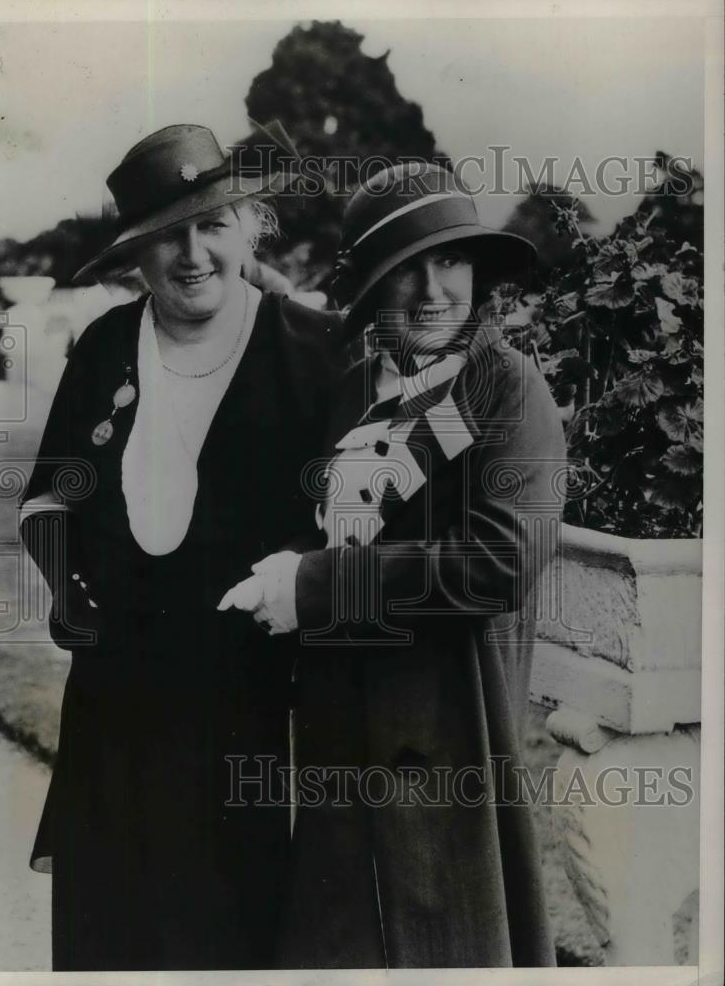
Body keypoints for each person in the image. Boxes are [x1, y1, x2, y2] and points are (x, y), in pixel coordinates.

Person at [221, 162, 567, 968]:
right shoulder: (349, 394)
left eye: (448, 260)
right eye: (403, 267)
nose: (431, 289)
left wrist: (310, 587)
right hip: (342, 743)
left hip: (451, 741)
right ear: (372, 287)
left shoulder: (507, 390)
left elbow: (497, 564)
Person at [19, 120, 343, 971]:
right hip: (114, 715)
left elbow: (362, 530)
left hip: (253, 722)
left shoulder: (314, 355)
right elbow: (53, 494)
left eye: (212, 226)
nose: (192, 254)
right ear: (137, 256)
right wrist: (63, 589)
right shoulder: (101, 350)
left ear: (251, 226)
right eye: (166, 238)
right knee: (109, 937)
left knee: (230, 940)